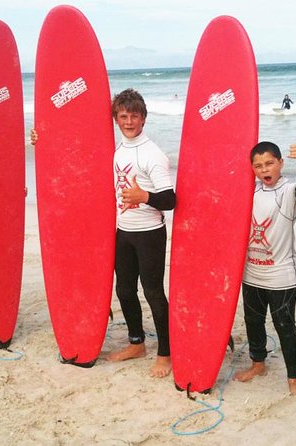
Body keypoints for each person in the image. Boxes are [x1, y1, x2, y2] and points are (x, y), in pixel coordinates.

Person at [234, 135, 296, 399]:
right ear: (252, 169)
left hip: (281, 276)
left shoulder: (289, 192)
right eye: (258, 166)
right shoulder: (248, 192)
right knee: (253, 321)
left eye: (270, 163)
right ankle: (258, 364)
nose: (265, 169)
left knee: (284, 326)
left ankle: (294, 379)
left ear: (280, 163)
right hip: (252, 273)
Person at [107, 88, 176, 378]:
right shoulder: (119, 148)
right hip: (124, 231)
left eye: (134, 116)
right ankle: (137, 343)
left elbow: (170, 200)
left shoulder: (152, 154)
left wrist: (144, 197)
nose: (129, 121)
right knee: (123, 289)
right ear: (115, 119)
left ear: (144, 118)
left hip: (149, 233)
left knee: (153, 293)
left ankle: (166, 353)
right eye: (123, 116)